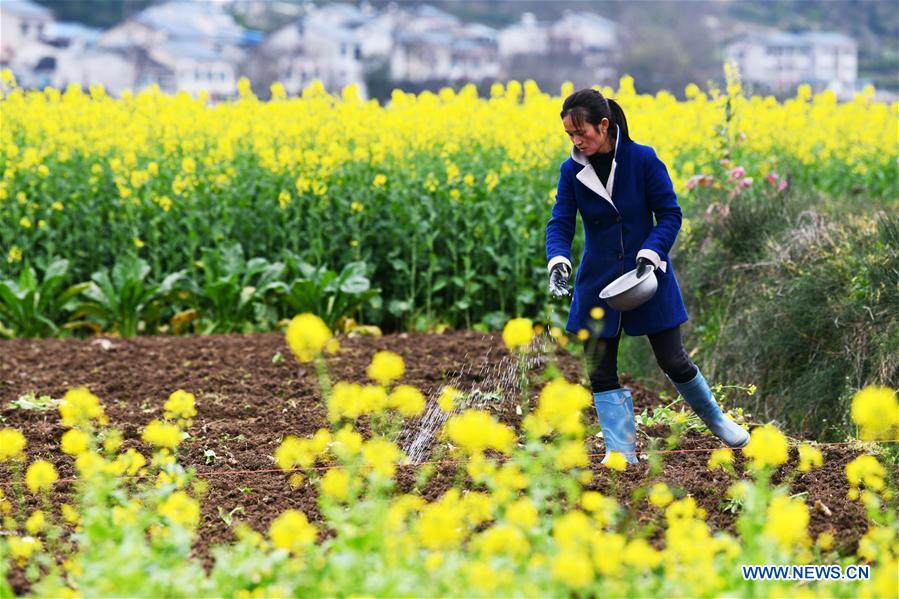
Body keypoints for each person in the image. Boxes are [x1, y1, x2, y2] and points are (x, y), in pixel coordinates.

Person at [545, 88, 748, 465]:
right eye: (570, 135)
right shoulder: (571, 170)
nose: (576, 141)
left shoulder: (643, 160)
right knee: (600, 368)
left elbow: (670, 214)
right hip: (598, 286)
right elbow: (560, 221)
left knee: (674, 360)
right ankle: (621, 453)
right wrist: (558, 259)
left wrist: (651, 252)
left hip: (648, 276)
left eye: (582, 133)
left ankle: (719, 422)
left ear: (604, 125)